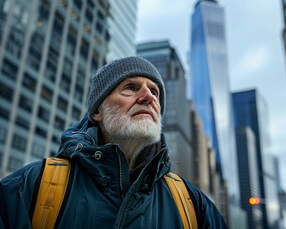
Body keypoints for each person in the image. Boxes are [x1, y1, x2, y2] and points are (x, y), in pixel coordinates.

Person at [0, 56, 227, 228]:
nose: (149, 96)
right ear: (98, 111)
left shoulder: (191, 203)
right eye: (130, 87)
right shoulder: (31, 187)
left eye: (155, 92)